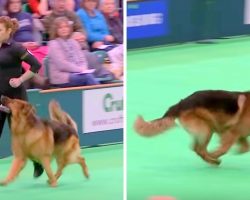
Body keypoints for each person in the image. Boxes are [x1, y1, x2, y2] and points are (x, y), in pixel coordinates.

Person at [0, 16, 44, 178]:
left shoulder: (16, 48)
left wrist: (20, 80)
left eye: (0, 30)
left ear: (9, 31)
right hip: (0, 100)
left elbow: (36, 65)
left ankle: (37, 162)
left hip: (17, 101)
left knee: (23, 139)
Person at [48, 16, 100, 87]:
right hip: (61, 77)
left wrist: (83, 68)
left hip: (76, 73)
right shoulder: (53, 44)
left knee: (89, 75)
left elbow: (82, 59)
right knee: (87, 77)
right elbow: (62, 65)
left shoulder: (74, 42)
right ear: (55, 30)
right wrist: (79, 70)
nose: (64, 29)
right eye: (60, 27)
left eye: (66, 27)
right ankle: (98, 95)